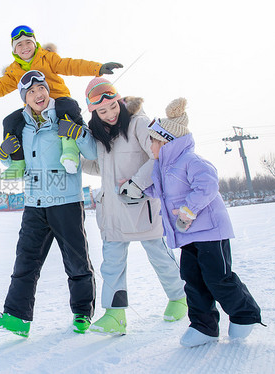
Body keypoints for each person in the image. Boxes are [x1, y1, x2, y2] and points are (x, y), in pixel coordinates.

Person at [0, 70, 98, 337]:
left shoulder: (64, 115)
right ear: (25, 98)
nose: (38, 94)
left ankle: (83, 313)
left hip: (66, 201)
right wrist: (4, 156)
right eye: (31, 91)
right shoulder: (20, 125)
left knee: (76, 261)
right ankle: (17, 318)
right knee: (25, 261)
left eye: (41, 89)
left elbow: (92, 152)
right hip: (34, 203)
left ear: (48, 91)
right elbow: (18, 164)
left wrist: (78, 133)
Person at [145, 97, 262, 347]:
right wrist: (137, 190)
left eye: (153, 140)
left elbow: (207, 185)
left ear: (167, 142)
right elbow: (162, 193)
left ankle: (245, 315)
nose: (151, 146)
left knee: (217, 277)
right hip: (188, 234)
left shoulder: (190, 160)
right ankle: (204, 326)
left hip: (209, 231)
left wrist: (189, 209)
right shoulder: (163, 168)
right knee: (192, 280)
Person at [81, 77, 187, 335]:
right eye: (102, 111)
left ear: (119, 101)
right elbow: (100, 168)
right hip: (113, 212)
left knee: (159, 256)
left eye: (113, 107)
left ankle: (180, 298)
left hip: (142, 207)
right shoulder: (99, 135)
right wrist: (74, 162)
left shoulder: (139, 124)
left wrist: (137, 183)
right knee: (112, 264)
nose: (109, 114)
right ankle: (115, 315)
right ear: (94, 112)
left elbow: (158, 156)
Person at [0, 25, 122, 179]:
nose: (25, 47)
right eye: (19, 45)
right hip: (35, 108)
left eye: (28, 42)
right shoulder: (13, 72)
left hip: (59, 100)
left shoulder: (47, 58)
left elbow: (71, 65)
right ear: (14, 50)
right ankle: (18, 162)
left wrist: (97, 68)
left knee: (68, 108)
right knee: (10, 121)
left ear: (35, 43)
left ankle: (69, 152)